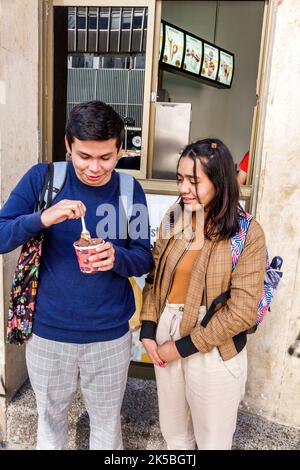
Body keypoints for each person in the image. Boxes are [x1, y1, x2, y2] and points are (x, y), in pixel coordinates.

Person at [0, 101, 152, 450]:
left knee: (106, 425)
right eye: (84, 156)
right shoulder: (44, 179)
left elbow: (143, 258)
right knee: (50, 423)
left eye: (106, 157)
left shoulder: (130, 192)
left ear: (120, 150)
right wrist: (42, 218)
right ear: (68, 145)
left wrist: (115, 257)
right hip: (49, 334)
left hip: (110, 336)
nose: (95, 168)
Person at [140, 138, 266, 450]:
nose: (184, 189)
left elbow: (242, 311)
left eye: (194, 181)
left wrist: (181, 347)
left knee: (213, 441)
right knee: (175, 436)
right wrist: (148, 328)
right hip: (166, 330)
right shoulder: (175, 216)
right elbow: (155, 277)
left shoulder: (247, 233)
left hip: (214, 346)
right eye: (180, 179)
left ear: (220, 181)